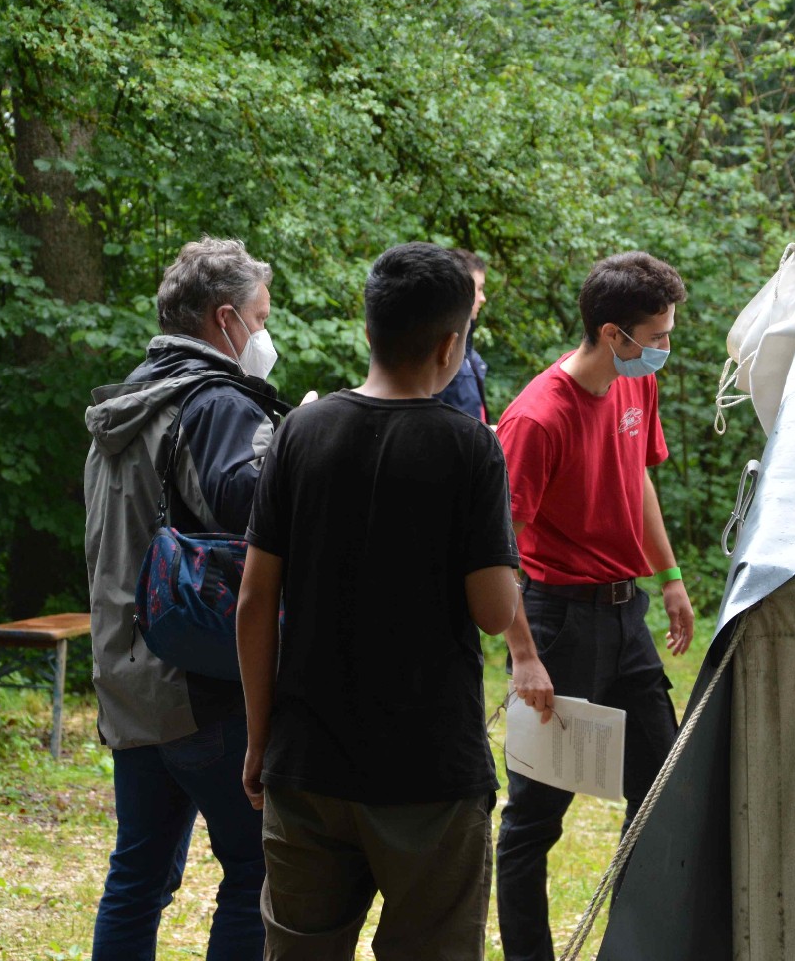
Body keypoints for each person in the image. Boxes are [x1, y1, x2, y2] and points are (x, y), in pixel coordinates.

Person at [237, 242, 521, 960]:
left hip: (308, 763)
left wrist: (260, 739)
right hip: (430, 772)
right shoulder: (470, 448)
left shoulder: (300, 432)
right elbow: (494, 611)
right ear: (452, 344)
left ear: (368, 329)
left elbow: (253, 601)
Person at [83, 236, 289, 961]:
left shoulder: (125, 403)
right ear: (224, 319)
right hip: (203, 681)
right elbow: (261, 515)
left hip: (128, 676)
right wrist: (298, 450)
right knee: (257, 872)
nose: (264, 336)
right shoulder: (216, 405)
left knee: (137, 877)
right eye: (260, 319)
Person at [491, 251, 696, 961]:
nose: (665, 347)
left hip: (625, 615)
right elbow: (497, 551)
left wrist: (669, 576)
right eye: (658, 336)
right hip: (558, 622)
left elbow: (637, 479)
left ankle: (632, 946)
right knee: (534, 820)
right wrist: (524, 656)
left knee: (662, 792)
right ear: (615, 335)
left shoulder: (637, 385)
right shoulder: (536, 418)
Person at [436, 248, 490, 422]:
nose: (483, 298)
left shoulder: (469, 356)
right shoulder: (438, 355)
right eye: (479, 289)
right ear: (462, 290)